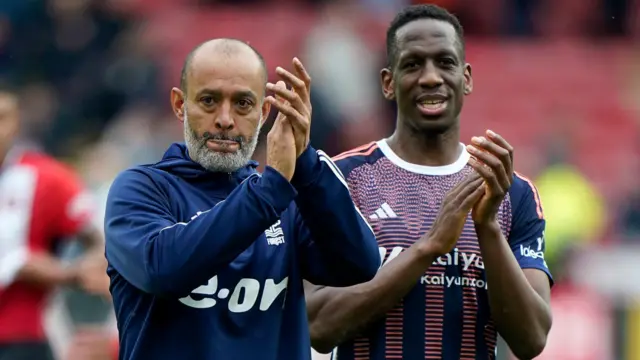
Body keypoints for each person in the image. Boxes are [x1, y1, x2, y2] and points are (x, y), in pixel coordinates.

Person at [103, 38, 379, 360]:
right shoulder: (141, 189)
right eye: (208, 100)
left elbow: (358, 265)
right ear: (180, 105)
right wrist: (269, 191)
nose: (225, 119)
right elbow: (162, 270)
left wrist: (305, 163)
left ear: (264, 112)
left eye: (243, 104)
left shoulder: (285, 200)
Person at [305, 4, 553, 360]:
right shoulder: (341, 181)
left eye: (445, 62)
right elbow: (318, 327)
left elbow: (531, 340)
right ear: (388, 83)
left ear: (466, 78)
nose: (431, 77)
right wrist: (428, 248)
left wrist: (487, 227)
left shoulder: (512, 191)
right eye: (413, 64)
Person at [0, 84, 108, 360]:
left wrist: (72, 272)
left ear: (16, 123)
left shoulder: (49, 178)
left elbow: (99, 243)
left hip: (21, 338)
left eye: (2, 117)